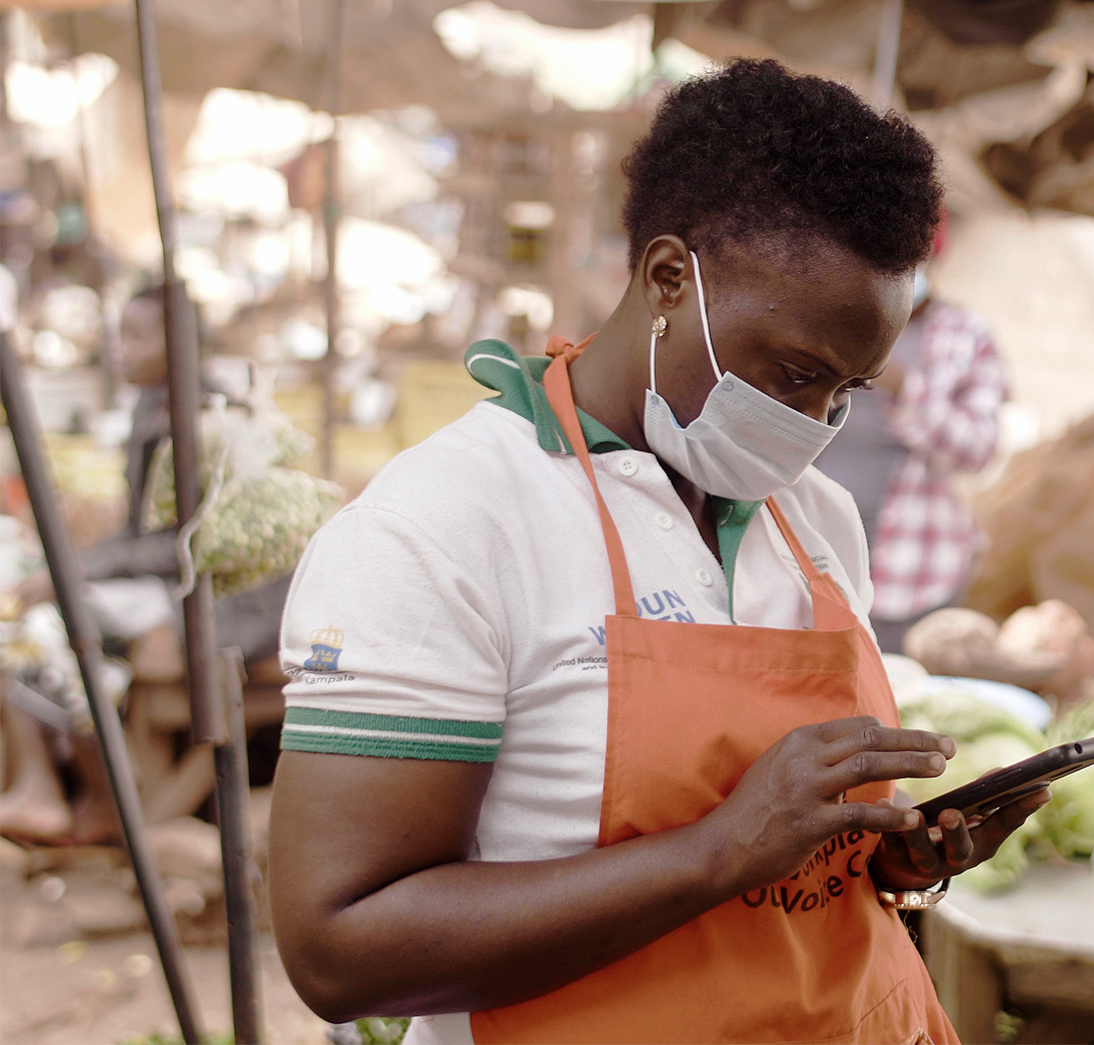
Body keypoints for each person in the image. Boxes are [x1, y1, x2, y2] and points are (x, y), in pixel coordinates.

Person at [268, 60, 1044, 1045]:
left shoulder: (814, 520)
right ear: (669, 277)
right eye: (794, 373)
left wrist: (885, 859)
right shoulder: (442, 529)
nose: (814, 424)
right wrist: (718, 853)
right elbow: (339, 950)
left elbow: (789, 876)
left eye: (848, 391)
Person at [0, 286, 289, 844]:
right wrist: (75, 565)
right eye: (119, 336)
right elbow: (142, 533)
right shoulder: (150, 407)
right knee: (39, 616)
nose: (120, 351)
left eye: (136, 338)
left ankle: (101, 795)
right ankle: (58, 785)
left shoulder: (205, 418)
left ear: (178, 344)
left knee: (49, 627)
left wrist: (75, 572)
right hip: (167, 585)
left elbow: (187, 542)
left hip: (217, 603)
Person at [812, 228, 1006, 653]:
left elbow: (979, 451)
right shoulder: (830, 318)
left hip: (913, 570)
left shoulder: (967, 335)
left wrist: (903, 386)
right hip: (815, 551)